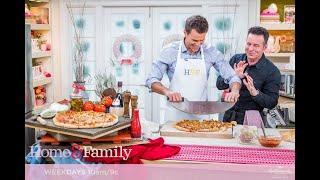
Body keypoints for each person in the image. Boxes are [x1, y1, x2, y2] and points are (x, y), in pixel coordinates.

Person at [145, 15, 242, 123]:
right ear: (185, 33)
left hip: (201, 116)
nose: (197, 45)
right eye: (194, 40)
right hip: (174, 115)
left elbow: (233, 76)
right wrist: (167, 92)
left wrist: (234, 90)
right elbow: (151, 80)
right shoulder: (169, 51)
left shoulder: (211, 51)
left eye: (201, 40)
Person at [216, 26, 281, 125]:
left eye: (256, 45)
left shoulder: (272, 71)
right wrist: (233, 77)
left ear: (265, 47)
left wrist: (255, 93)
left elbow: (272, 103)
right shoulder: (235, 59)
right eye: (248, 44)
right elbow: (219, 84)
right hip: (229, 116)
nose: (251, 49)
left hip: (252, 120)